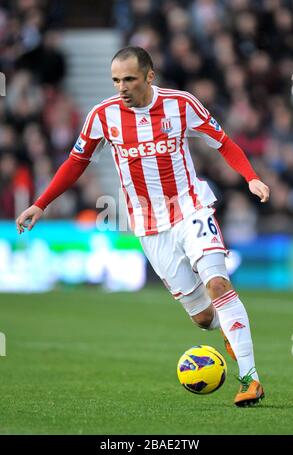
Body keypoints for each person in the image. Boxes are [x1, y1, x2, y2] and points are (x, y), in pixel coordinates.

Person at [16, 46, 270, 407]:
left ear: (149, 77)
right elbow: (76, 161)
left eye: (130, 79)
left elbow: (224, 143)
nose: (122, 87)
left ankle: (250, 379)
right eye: (116, 80)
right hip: (149, 225)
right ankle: (230, 330)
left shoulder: (181, 104)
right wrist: (40, 204)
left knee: (217, 282)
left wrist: (251, 178)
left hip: (190, 207)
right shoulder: (102, 116)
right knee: (202, 318)